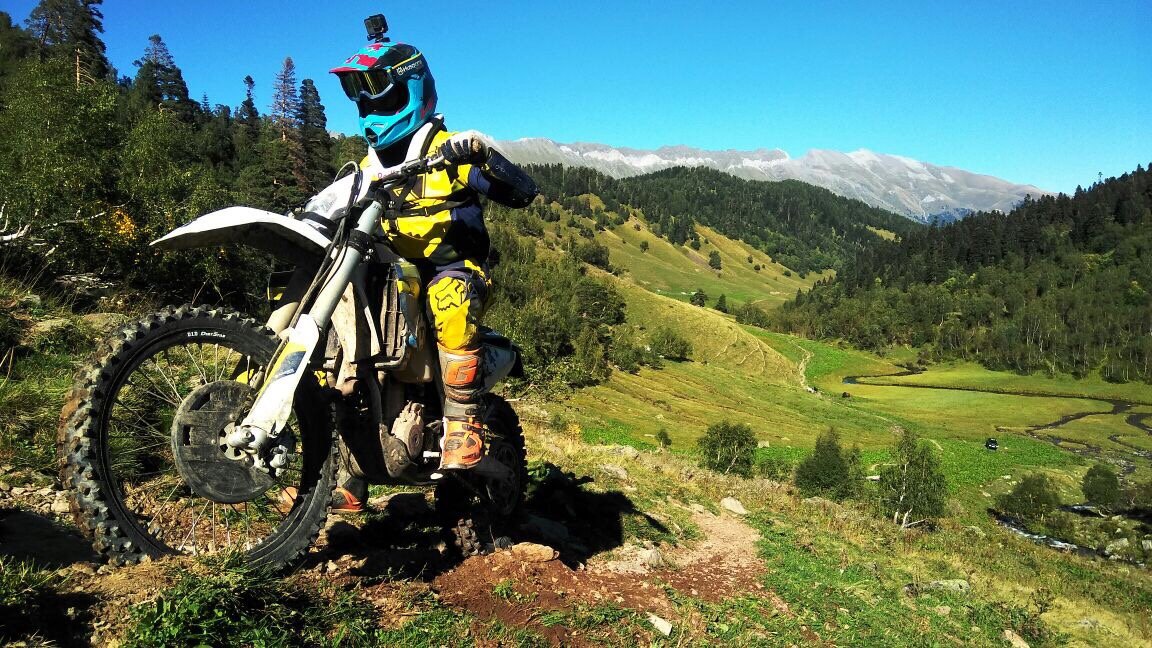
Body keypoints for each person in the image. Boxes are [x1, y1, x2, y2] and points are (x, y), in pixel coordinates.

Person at [325, 32, 538, 510]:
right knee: (345, 312)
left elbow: (523, 193)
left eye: (379, 95)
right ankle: (346, 468)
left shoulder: (448, 151)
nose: (369, 108)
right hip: (394, 274)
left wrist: (481, 155)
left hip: (457, 271)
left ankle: (463, 422)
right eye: (361, 97)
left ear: (412, 90)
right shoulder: (369, 166)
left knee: (449, 298)